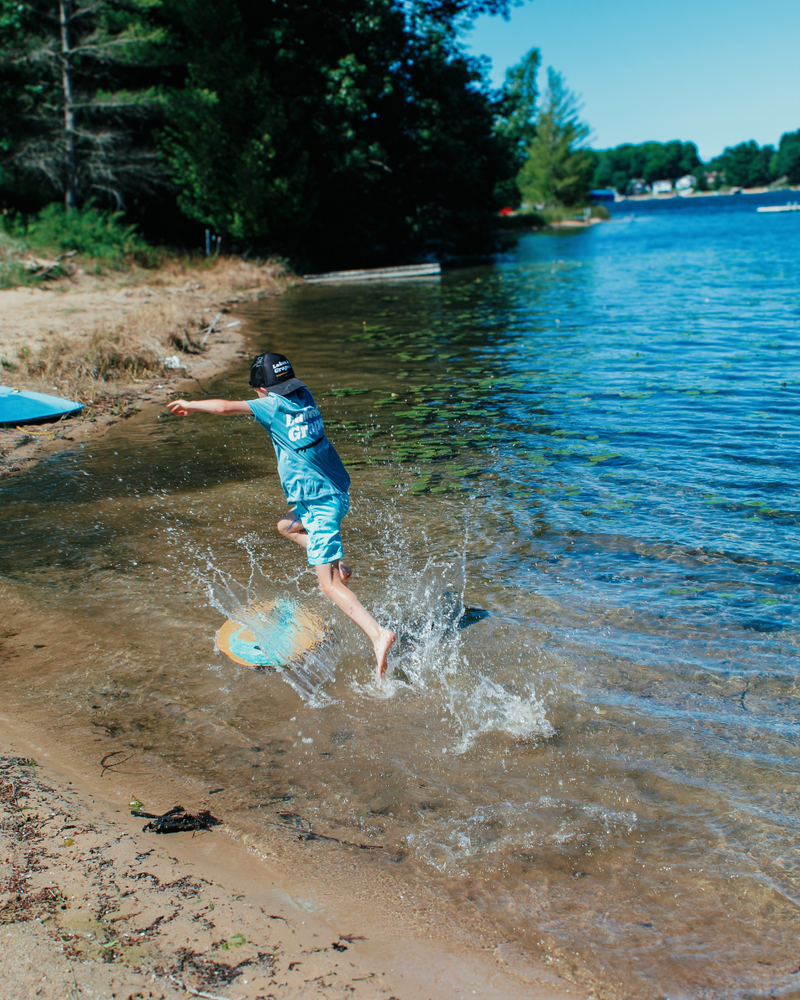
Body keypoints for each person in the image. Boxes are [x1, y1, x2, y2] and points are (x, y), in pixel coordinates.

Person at [166, 352, 396, 679]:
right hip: (333, 494)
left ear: (262, 389)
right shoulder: (305, 397)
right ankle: (339, 567)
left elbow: (224, 407)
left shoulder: (271, 406)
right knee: (286, 526)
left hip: (319, 505)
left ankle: (377, 634)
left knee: (328, 588)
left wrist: (191, 404)